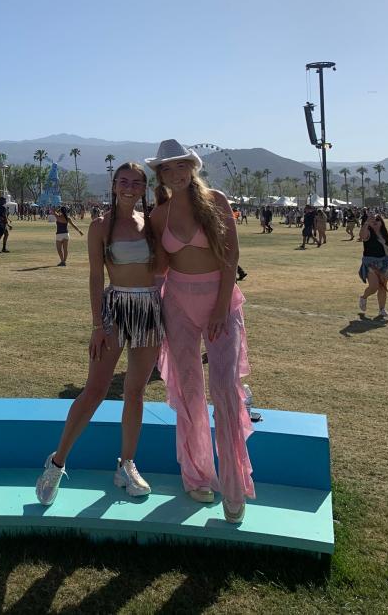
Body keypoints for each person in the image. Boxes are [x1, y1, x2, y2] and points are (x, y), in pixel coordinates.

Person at [35, 163, 164, 505]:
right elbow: (95, 277)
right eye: (123, 181)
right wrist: (97, 325)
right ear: (114, 184)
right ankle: (57, 462)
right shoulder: (101, 226)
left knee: (135, 392)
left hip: (149, 311)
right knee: (95, 390)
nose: (129, 187)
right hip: (115, 309)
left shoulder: (151, 225)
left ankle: (126, 466)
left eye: (136, 183)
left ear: (143, 188)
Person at [147, 139, 254, 524]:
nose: (175, 174)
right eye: (167, 169)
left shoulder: (217, 200)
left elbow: (231, 256)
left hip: (220, 302)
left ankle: (234, 485)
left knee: (225, 389)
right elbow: (159, 267)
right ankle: (196, 475)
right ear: (160, 175)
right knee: (190, 389)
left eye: (181, 166)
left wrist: (223, 305)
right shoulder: (159, 214)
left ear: (192, 167)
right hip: (177, 302)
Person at [358, 213, 388, 319]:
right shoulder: (368, 232)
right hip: (371, 263)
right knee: (374, 287)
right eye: (373, 220)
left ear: (381, 223)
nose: (375, 221)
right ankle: (363, 297)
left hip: (384, 262)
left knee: (383, 287)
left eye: (377, 220)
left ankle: (382, 310)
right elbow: (361, 236)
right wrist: (365, 224)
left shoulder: (384, 234)